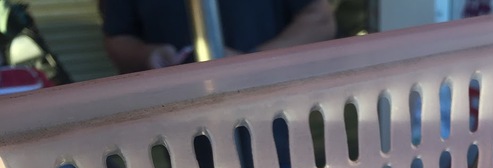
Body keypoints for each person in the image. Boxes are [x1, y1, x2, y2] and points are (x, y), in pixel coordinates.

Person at [100, 0, 337, 73]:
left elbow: (319, 19)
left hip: (276, 117)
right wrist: (147, 55)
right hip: (180, 129)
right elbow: (118, 38)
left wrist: (251, 63)